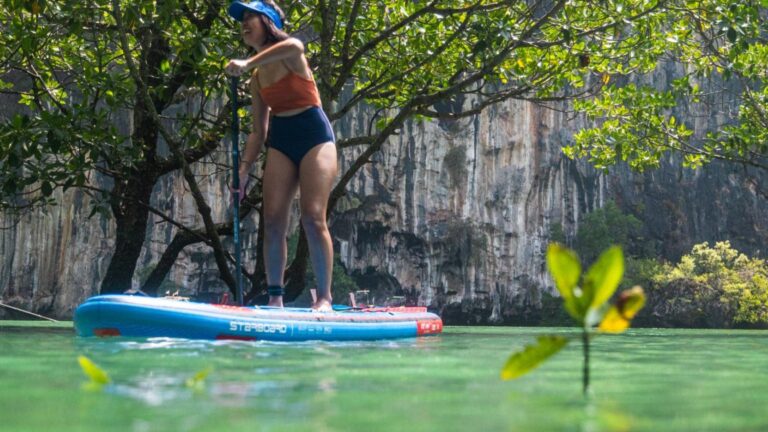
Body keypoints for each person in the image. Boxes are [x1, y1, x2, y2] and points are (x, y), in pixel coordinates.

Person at [225, 0, 337, 311]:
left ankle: (325, 297)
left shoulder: (290, 51)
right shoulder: (257, 78)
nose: (245, 23)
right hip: (282, 139)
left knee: (313, 217)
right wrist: (244, 170)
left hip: (315, 136)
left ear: (269, 21)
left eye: (251, 17)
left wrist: (247, 63)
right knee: (273, 220)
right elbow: (258, 132)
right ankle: (275, 298)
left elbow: (296, 45)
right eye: (242, 19)